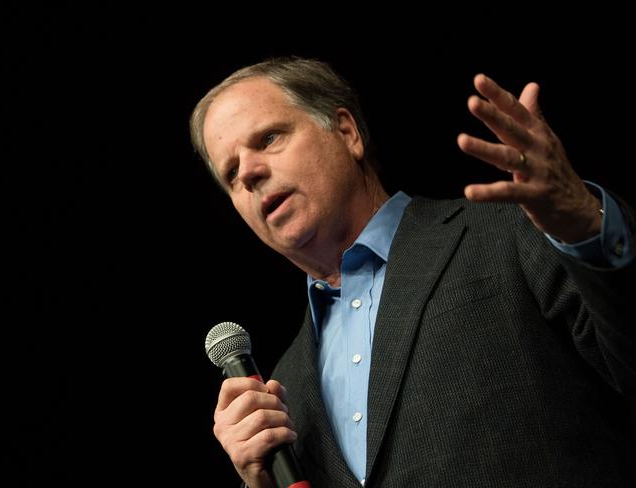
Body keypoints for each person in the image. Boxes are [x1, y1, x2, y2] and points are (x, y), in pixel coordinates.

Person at [190, 57, 636, 487]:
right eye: (231, 174)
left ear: (347, 132)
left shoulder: (509, 229)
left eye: (269, 138)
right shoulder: (284, 389)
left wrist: (584, 225)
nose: (248, 172)